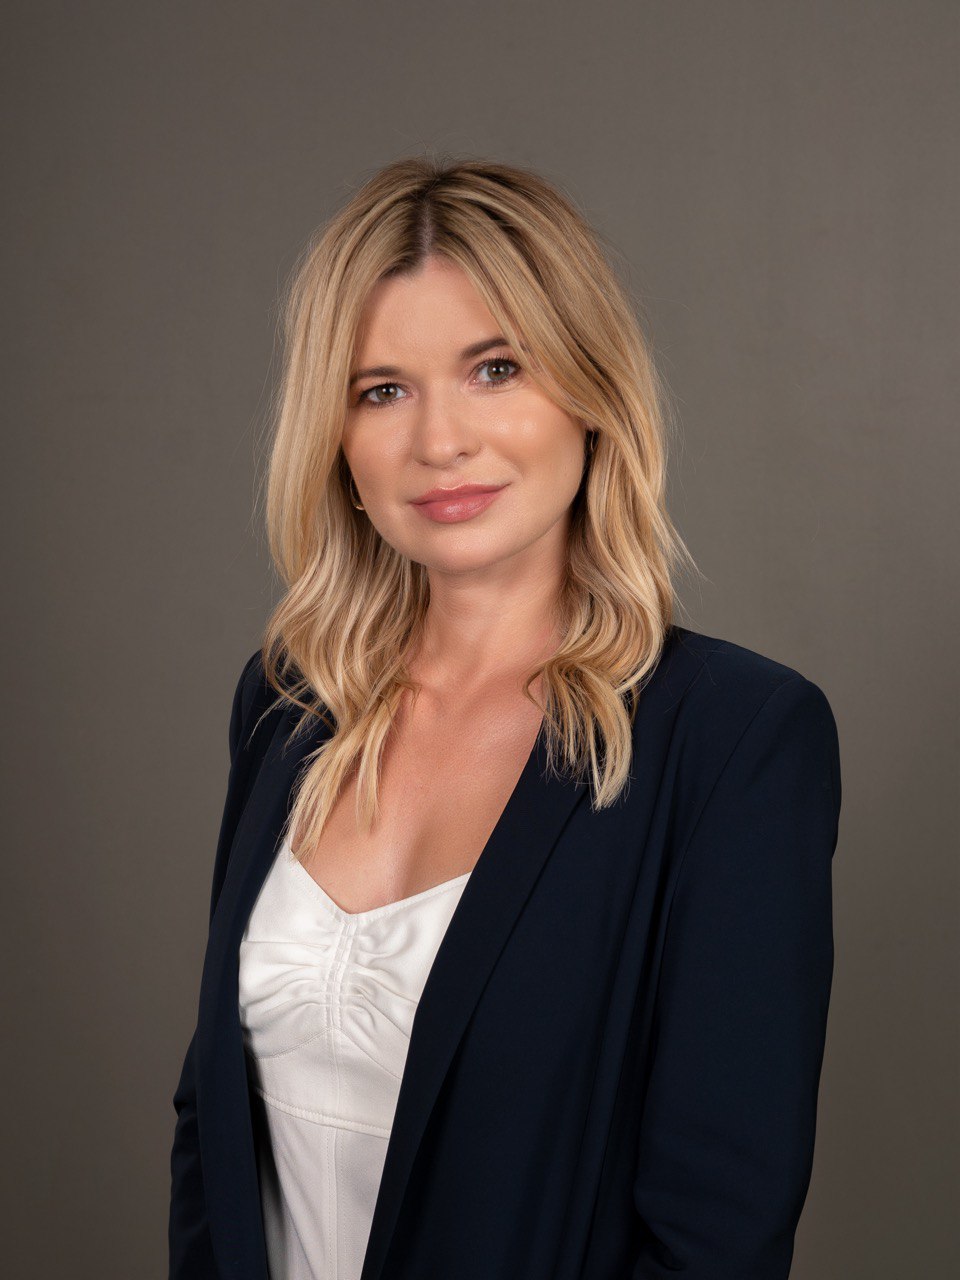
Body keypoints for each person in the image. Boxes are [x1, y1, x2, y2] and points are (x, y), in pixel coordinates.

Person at [168, 156, 842, 1280]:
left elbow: (717, 1234)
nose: (441, 440)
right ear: (335, 436)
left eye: (495, 368)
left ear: (591, 392)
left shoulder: (734, 741)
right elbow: (213, 1126)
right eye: (382, 390)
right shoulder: (289, 705)